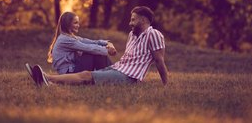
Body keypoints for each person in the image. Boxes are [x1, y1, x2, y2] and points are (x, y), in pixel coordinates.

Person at [26, 6, 168, 86]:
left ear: (143, 20)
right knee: (89, 73)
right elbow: (90, 45)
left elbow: (159, 61)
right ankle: (49, 80)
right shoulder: (132, 35)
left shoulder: (154, 34)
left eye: (133, 20)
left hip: (129, 77)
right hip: (119, 69)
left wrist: (165, 85)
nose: (130, 23)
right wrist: (107, 47)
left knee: (86, 75)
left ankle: (47, 78)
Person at [26, 12, 117, 76]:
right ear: (68, 24)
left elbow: (90, 42)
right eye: (75, 23)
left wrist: (107, 43)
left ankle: (112, 73)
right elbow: (88, 48)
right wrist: (106, 50)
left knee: (97, 53)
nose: (78, 25)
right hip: (69, 73)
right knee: (93, 53)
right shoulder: (65, 40)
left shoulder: (70, 37)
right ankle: (113, 74)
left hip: (73, 69)